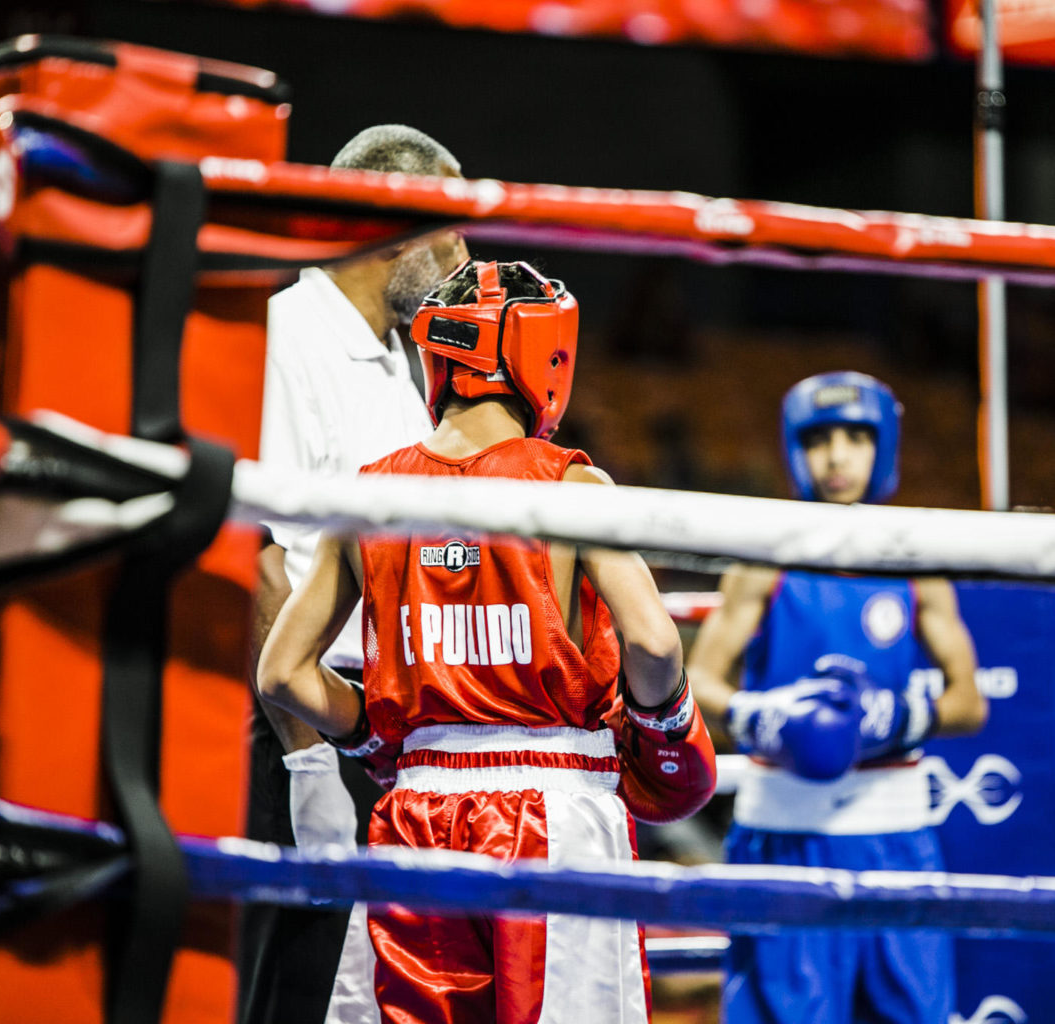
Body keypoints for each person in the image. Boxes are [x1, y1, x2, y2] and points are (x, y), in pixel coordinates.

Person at [256, 259, 718, 1023]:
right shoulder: (569, 488)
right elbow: (656, 643)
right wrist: (665, 729)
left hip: (417, 811)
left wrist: (378, 734)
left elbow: (283, 675)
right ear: (545, 361)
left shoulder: (367, 498)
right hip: (554, 810)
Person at [244, 124, 468, 1024]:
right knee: (287, 983)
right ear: (396, 220)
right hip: (293, 721)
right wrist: (306, 763)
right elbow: (257, 556)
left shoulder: (398, 361)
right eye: (452, 226)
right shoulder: (286, 335)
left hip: (373, 725)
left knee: (361, 993)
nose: (466, 251)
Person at [687, 370, 987, 1024]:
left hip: (895, 837)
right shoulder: (764, 558)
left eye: (856, 437)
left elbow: (971, 702)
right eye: (821, 438)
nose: (838, 455)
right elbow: (701, 679)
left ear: (884, 450)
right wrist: (757, 714)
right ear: (798, 449)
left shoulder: (914, 561)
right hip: (784, 834)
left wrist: (900, 714)